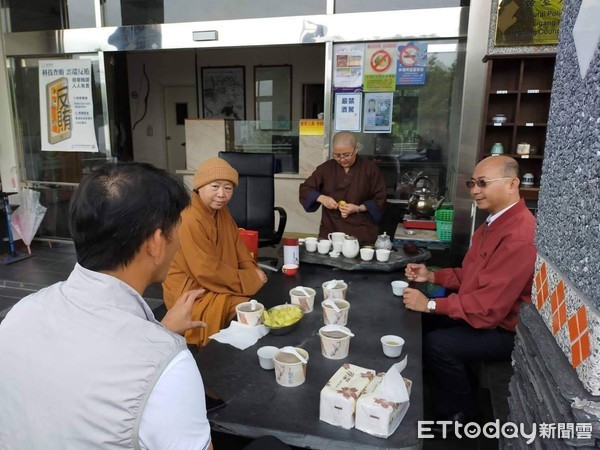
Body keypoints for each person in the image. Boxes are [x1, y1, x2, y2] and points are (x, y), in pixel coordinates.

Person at [0, 163, 212, 449]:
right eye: (177, 229)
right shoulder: (168, 366)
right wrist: (160, 344)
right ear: (156, 242)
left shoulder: (19, 314)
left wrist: (158, 332)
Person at [403, 155, 536, 427]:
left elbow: (487, 309)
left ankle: (461, 415)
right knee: (423, 324)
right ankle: (430, 393)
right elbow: (472, 277)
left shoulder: (520, 235)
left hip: (504, 330)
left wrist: (429, 304)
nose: (475, 190)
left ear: (512, 184)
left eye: (483, 183)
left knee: (437, 344)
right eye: (472, 183)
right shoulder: (492, 224)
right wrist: (432, 276)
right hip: (484, 313)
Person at [163, 157, 268, 347]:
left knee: (254, 304)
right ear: (200, 186)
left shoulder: (221, 211)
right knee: (246, 309)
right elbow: (205, 270)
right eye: (215, 186)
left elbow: (238, 247)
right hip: (194, 291)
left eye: (228, 188)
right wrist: (250, 280)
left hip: (215, 281)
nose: (222, 194)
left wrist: (252, 269)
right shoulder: (189, 219)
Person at [298, 131, 387, 245]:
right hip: (331, 229)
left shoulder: (370, 169)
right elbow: (305, 189)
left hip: (361, 231)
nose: (342, 159)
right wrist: (322, 198)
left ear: (356, 149)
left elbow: (380, 199)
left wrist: (358, 208)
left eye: (346, 155)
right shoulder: (326, 168)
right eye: (337, 155)